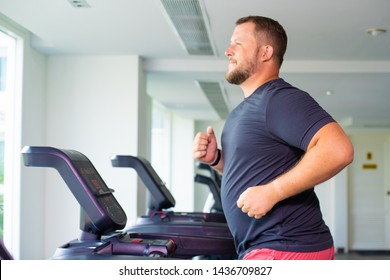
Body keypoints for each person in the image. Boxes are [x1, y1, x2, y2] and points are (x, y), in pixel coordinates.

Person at [192, 16, 354, 260]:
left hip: (285, 246)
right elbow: (253, 173)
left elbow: (339, 149)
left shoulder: (279, 99)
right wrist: (216, 159)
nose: (227, 51)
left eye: (237, 43)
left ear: (265, 52)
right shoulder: (247, 109)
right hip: (267, 246)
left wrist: (273, 191)